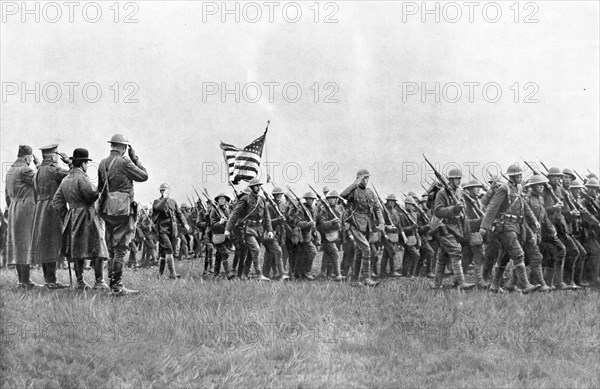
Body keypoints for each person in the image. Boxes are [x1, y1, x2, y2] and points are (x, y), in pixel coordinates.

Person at [52, 148, 109, 290]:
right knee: (97, 247)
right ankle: (99, 282)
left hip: (73, 216)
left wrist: (67, 214)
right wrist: (101, 188)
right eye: (86, 163)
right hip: (87, 216)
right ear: (83, 164)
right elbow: (91, 195)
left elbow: (56, 201)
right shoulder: (82, 177)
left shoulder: (65, 179)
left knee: (76, 250)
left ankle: (80, 282)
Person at [98, 134, 148, 295]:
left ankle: (113, 285)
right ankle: (117, 287)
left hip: (107, 208)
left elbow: (100, 188)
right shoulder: (124, 161)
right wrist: (135, 158)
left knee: (112, 248)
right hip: (123, 209)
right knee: (120, 249)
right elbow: (143, 176)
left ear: (112, 145)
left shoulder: (102, 163)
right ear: (124, 147)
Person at [480, 164, 541, 294]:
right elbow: (492, 207)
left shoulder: (518, 188)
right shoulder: (504, 189)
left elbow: (524, 206)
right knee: (519, 254)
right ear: (512, 176)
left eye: (520, 175)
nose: (520, 177)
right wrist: (484, 227)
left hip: (517, 226)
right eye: (518, 175)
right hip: (505, 226)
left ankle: (494, 286)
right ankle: (525, 285)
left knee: (504, 257)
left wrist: (534, 220)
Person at [31, 144, 72, 289]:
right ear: (53, 156)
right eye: (56, 155)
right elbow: (73, 175)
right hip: (52, 209)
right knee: (53, 243)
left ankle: (49, 280)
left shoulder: (38, 171)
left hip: (40, 209)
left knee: (44, 244)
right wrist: (70, 162)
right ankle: (51, 281)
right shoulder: (54, 170)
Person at [432, 168, 475, 290]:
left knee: (443, 256)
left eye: (460, 178)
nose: (459, 181)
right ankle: (461, 283)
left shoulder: (460, 192)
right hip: (445, 227)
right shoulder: (442, 193)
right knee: (455, 252)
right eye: (456, 178)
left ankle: (437, 284)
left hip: (457, 227)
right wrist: (453, 209)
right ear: (450, 180)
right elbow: (438, 211)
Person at [340, 169, 384, 287]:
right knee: (366, 249)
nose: (366, 180)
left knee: (360, 252)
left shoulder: (370, 192)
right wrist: (355, 183)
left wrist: (382, 222)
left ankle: (354, 280)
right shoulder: (353, 191)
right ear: (358, 178)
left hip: (367, 224)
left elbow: (377, 208)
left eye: (367, 178)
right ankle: (366, 278)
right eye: (364, 178)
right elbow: (343, 195)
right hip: (355, 224)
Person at [5, 145, 41, 288]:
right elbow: (41, 181)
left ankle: (22, 281)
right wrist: (38, 165)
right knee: (25, 245)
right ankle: (25, 281)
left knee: (19, 246)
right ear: (28, 157)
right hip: (25, 210)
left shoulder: (11, 170)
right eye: (31, 158)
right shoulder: (26, 170)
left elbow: (7, 196)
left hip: (14, 208)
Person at [224, 179, 273, 281]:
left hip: (259, 229)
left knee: (251, 254)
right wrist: (228, 229)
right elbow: (234, 214)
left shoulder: (262, 199)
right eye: (256, 186)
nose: (258, 188)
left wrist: (269, 230)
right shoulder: (245, 199)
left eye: (259, 186)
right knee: (256, 250)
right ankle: (259, 274)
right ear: (251, 187)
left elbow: (267, 216)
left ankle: (244, 275)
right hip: (249, 229)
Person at [152, 183, 190, 278]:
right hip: (162, 229)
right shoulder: (157, 201)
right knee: (169, 249)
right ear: (160, 191)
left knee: (164, 252)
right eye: (163, 190)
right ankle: (172, 273)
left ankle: (160, 275)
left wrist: (185, 223)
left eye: (167, 190)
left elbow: (179, 214)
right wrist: (164, 198)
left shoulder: (173, 201)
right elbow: (159, 208)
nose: (166, 192)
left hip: (173, 229)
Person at [317, 190, 344, 281]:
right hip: (326, 236)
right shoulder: (323, 210)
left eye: (334, 198)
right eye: (330, 198)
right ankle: (338, 275)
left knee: (328, 255)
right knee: (335, 254)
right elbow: (322, 224)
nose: (332, 200)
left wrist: (339, 225)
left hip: (336, 235)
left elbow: (342, 221)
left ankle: (325, 273)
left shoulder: (339, 209)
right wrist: (332, 222)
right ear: (327, 199)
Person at [208, 193, 236, 280]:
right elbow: (212, 225)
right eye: (220, 199)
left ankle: (215, 274)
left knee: (219, 256)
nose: (221, 200)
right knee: (225, 254)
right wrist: (220, 222)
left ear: (226, 201)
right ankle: (229, 274)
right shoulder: (214, 211)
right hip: (218, 236)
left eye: (223, 199)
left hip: (226, 236)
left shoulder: (228, 210)